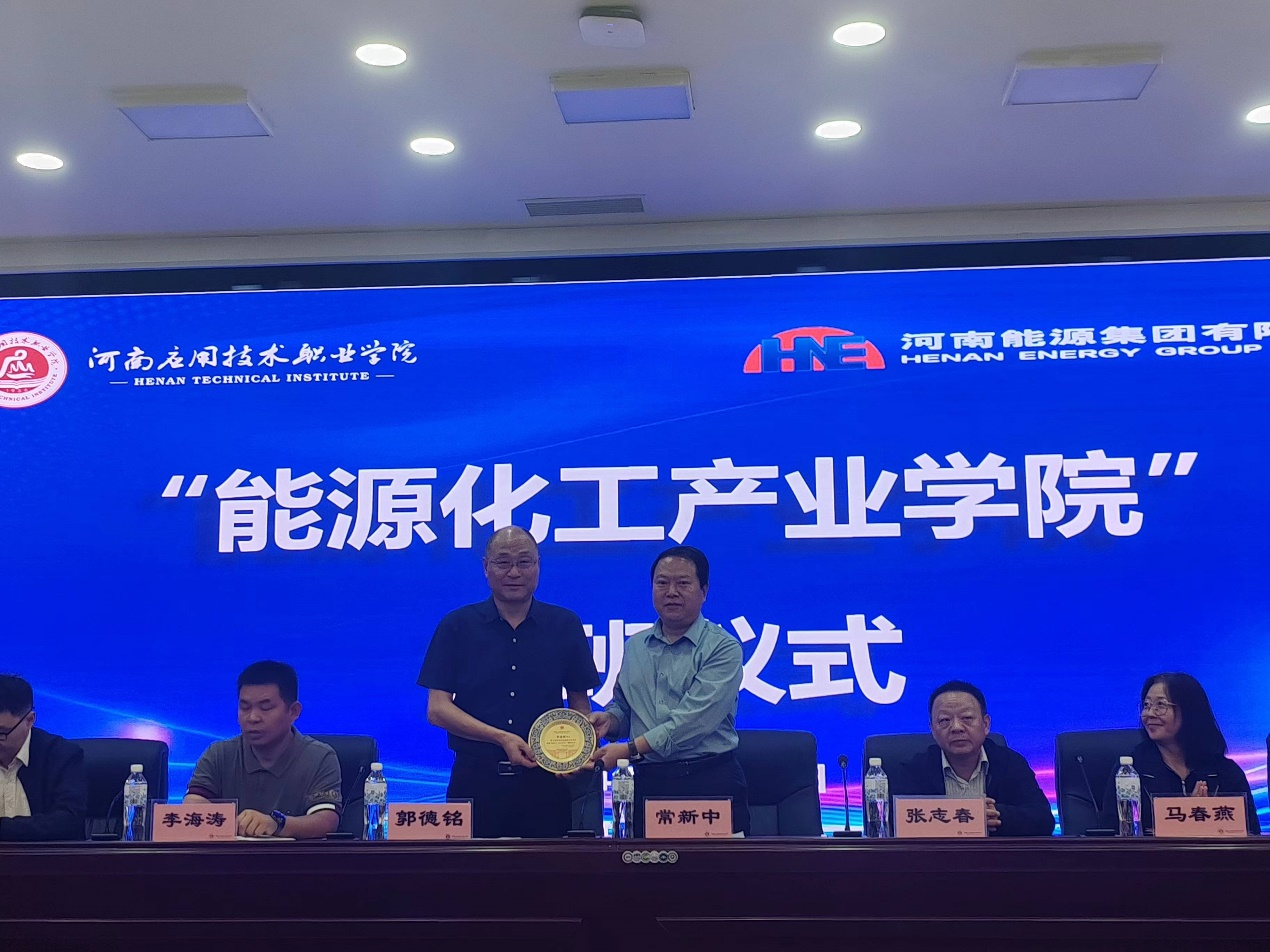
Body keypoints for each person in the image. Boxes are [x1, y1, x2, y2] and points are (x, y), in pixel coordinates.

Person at [418, 525, 601, 838]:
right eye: (503, 562)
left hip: (545, 782)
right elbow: (437, 710)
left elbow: (579, 705)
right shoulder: (457, 626)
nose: (514, 572)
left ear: (538, 566)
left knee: (548, 868)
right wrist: (500, 737)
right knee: (467, 868)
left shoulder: (565, 625)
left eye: (524, 562)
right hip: (475, 779)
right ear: (486, 567)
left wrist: (576, 754)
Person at [589, 545, 751, 836]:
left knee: (718, 866)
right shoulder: (635, 646)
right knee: (647, 864)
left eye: (683, 583)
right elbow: (626, 709)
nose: (671, 592)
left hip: (708, 780)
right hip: (649, 781)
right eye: (662, 583)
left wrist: (629, 749)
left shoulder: (723, 648)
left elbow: (692, 723)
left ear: (704, 591)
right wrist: (609, 722)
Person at [186, 661, 342, 838]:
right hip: (228, 855)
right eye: (245, 707)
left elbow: (326, 821)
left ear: (293, 711)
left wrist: (277, 824)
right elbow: (193, 804)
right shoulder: (219, 754)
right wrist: (232, 824)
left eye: (265, 708)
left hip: (294, 856)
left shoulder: (319, 757)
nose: (253, 717)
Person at [1097, 672, 1260, 835]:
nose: (1149, 713)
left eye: (1160, 705)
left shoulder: (1225, 772)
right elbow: (1112, 836)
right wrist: (1188, 817)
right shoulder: (1132, 771)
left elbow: (1252, 837)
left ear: (1189, 712)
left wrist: (1204, 818)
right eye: (1146, 705)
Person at [891, 680, 1055, 837]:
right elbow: (894, 824)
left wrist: (998, 815)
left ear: (986, 724)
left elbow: (1044, 821)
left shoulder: (1010, 763)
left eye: (967, 718)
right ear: (932, 729)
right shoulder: (913, 770)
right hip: (938, 856)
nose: (956, 728)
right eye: (945, 720)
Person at [0, 674, 87, 841]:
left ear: (29, 720)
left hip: (47, 857)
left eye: (1, 732)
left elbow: (68, 821)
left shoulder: (63, 756)